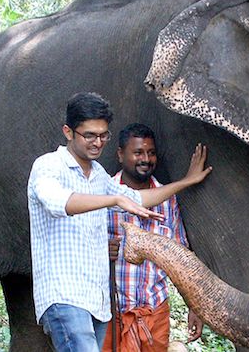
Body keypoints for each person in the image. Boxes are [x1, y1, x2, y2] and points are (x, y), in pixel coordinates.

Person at [28, 92, 212, 352]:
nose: (97, 142)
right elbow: (60, 203)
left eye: (103, 135)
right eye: (89, 135)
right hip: (65, 296)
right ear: (68, 132)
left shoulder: (98, 175)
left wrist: (185, 182)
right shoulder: (48, 166)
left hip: (98, 300)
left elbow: (138, 198)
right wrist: (113, 198)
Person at [103, 124, 204, 352]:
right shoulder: (104, 195)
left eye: (151, 152)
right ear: (120, 154)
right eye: (138, 152)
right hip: (110, 312)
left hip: (154, 313)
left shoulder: (168, 200)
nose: (146, 159)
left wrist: (194, 306)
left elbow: (181, 256)